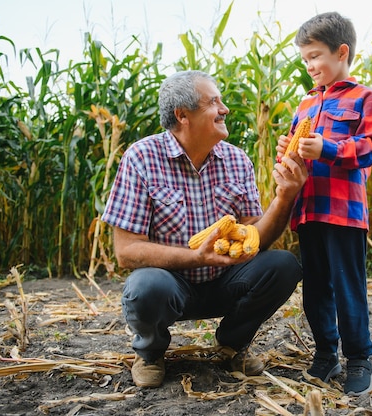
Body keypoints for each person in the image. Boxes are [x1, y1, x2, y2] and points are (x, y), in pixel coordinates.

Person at [101, 70, 308, 388]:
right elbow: (126, 250)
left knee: (283, 265)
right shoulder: (141, 158)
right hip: (171, 286)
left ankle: (231, 345)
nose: (224, 109)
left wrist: (285, 196)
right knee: (144, 287)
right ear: (182, 115)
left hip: (227, 280)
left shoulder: (237, 160)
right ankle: (151, 352)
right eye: (214, 102)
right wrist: (196, 256)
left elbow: (255, 236)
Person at [276, 11, 372, 396]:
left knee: (347, 286)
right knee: (316, 288)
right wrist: (285, 158)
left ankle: (360, 358)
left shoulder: (364, 98)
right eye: (304, 59)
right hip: (308, 210)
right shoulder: (305, 104)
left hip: (343, 213)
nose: (309, 66)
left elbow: (370, 146)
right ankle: (326, 353)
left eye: (315, 56)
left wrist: (328, 147)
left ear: (341, 52)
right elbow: (292, 151)